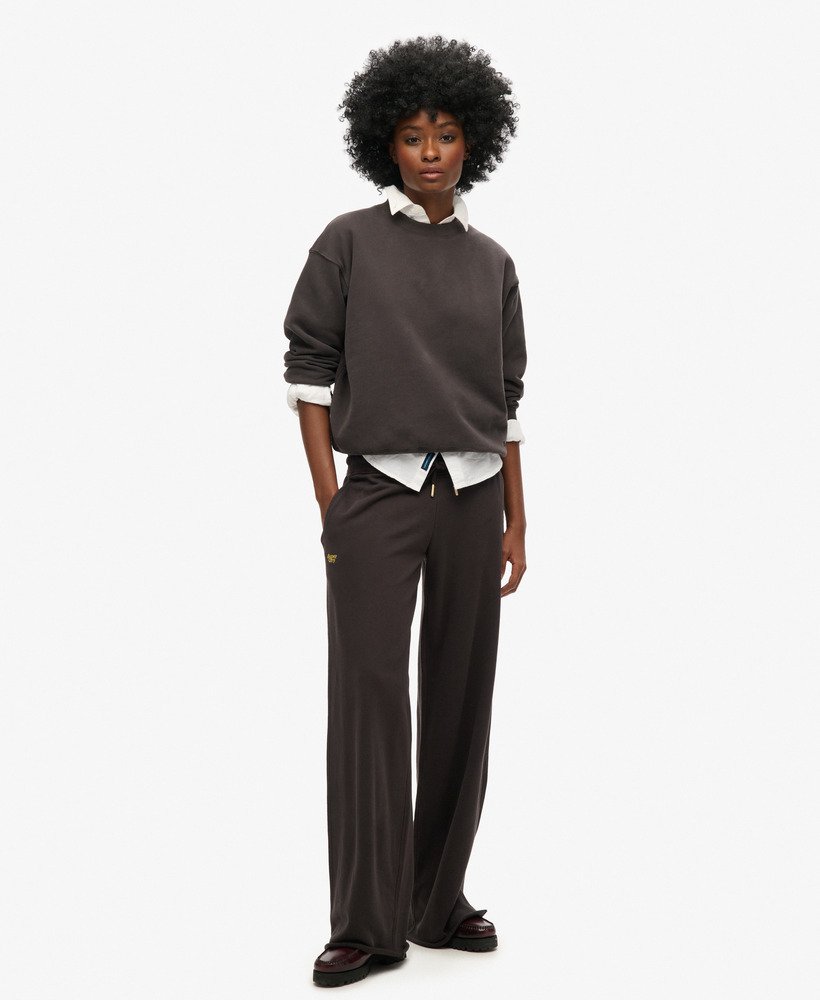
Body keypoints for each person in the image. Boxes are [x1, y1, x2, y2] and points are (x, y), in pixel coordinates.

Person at [282, 35, 528, 988]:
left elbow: (507, 401)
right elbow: (309, 374)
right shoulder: (347, 241)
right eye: (414, 135)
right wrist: (332, 502)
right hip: (378, 496)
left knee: (463, 698)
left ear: (474, 143)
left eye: (448, 133)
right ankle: (367, 921)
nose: (431, 151)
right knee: (371, 703)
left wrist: (516, 518)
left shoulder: (493, 261)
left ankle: (437, 898)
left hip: (472, 499)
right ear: (385, 142)